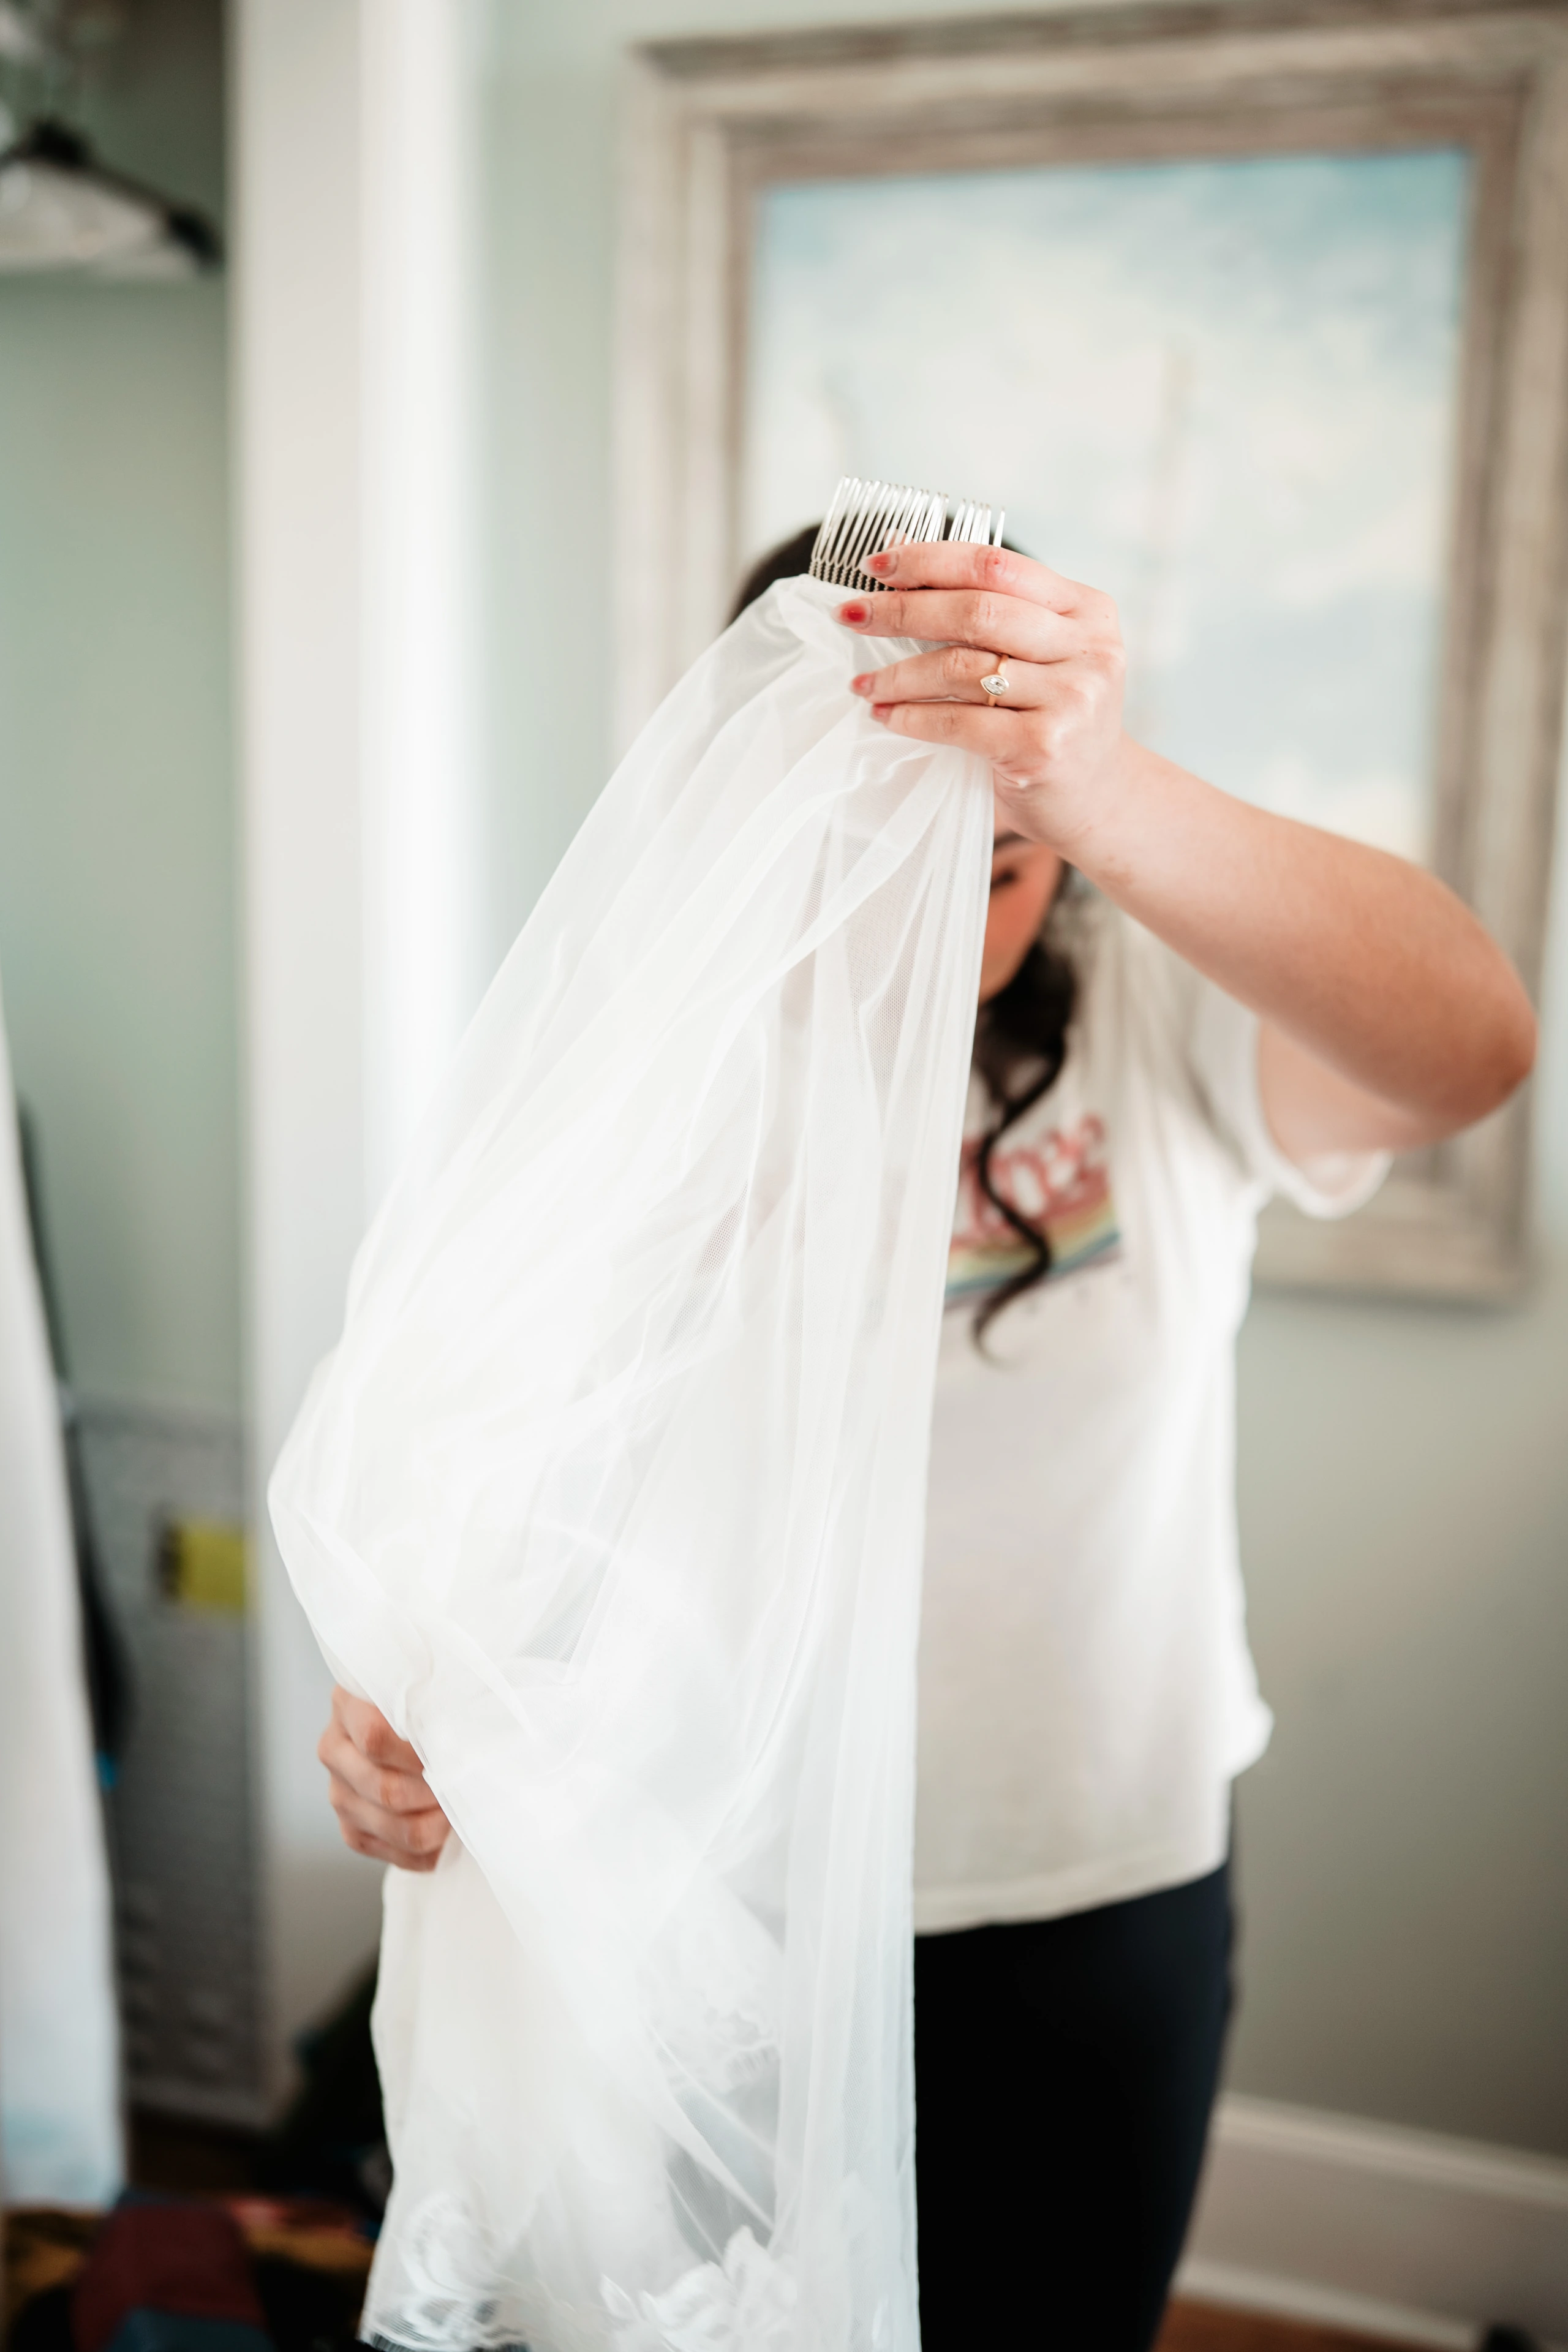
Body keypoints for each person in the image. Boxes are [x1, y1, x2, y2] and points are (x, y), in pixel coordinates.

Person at [317, 532, 1536, 2350]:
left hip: (1088, 1884)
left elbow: (1477, 1048)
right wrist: (396, 1710)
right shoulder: (649, 1070)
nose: (937, 911)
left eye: (1004, 867)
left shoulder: (1160, 1020)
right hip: (707, 1905)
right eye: (869, 845)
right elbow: (499, 1476)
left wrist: (1105, 783)